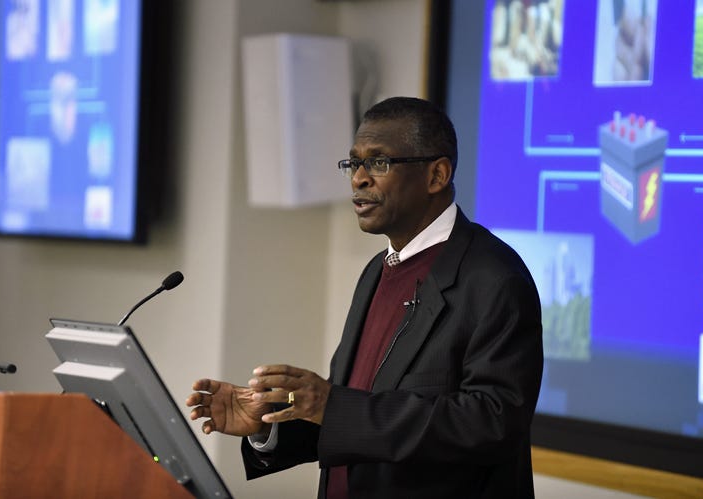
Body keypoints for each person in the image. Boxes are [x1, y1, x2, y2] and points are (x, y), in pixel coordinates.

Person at [186, 97, 543, 498]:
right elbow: (355, 411)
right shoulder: (377, 270)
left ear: (437, 174)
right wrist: (271, 425)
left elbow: (490, 424)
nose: (358, 178)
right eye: (353, 163)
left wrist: (330, 405)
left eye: (378, 162)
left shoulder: (494, 278)